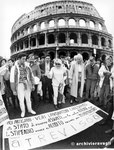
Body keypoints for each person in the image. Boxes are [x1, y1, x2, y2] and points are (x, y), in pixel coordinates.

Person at [10, 53, 36, 117]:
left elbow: (31, 76)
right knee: (21, 100)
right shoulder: (14, 68)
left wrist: (33, 85)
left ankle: (30, 110)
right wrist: (13, 90)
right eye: (23, 59)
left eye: (25, 59)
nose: (24, 60)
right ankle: (23, 111)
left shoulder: (27, 66)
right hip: (19, 85)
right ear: (19, 59)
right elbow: (12, 80)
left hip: (27, 83)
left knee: (28, 98)